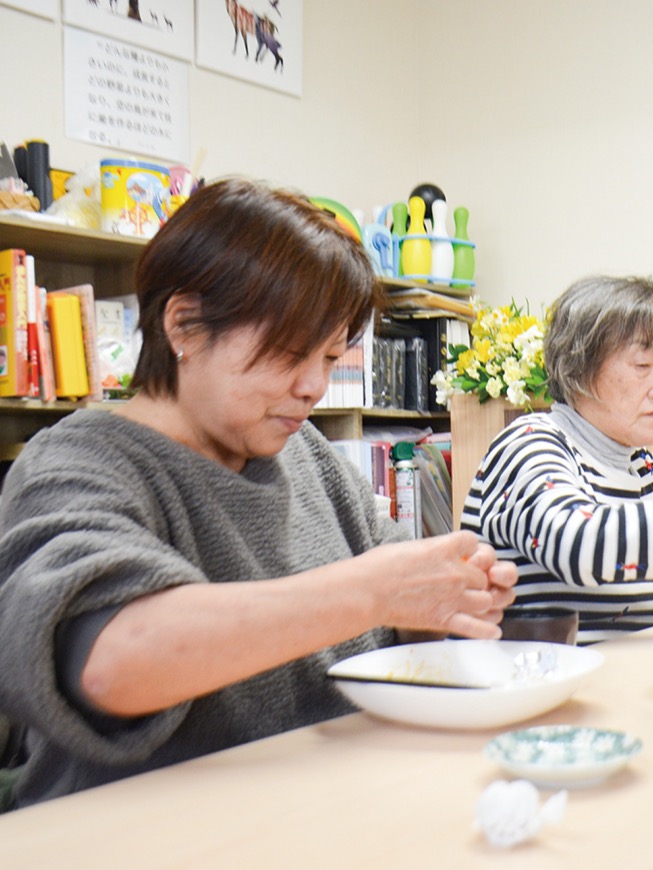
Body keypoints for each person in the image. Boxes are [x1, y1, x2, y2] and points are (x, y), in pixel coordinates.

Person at [0, 179, 516, 810]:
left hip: (331, 812)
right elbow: (111, 663)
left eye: (330, 358)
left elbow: (395, 618)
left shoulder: (305, 453)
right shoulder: (74, 464)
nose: (313, 387)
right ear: (184, 325)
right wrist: (372, 592)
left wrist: (443, 602)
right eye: (291, 353)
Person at [460, 275, 653, 645]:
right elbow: (577, 544)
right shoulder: (528, 443)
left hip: (622, 677)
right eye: (643, 364)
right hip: (525, 679)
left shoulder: (644, 469)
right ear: (578, 367)